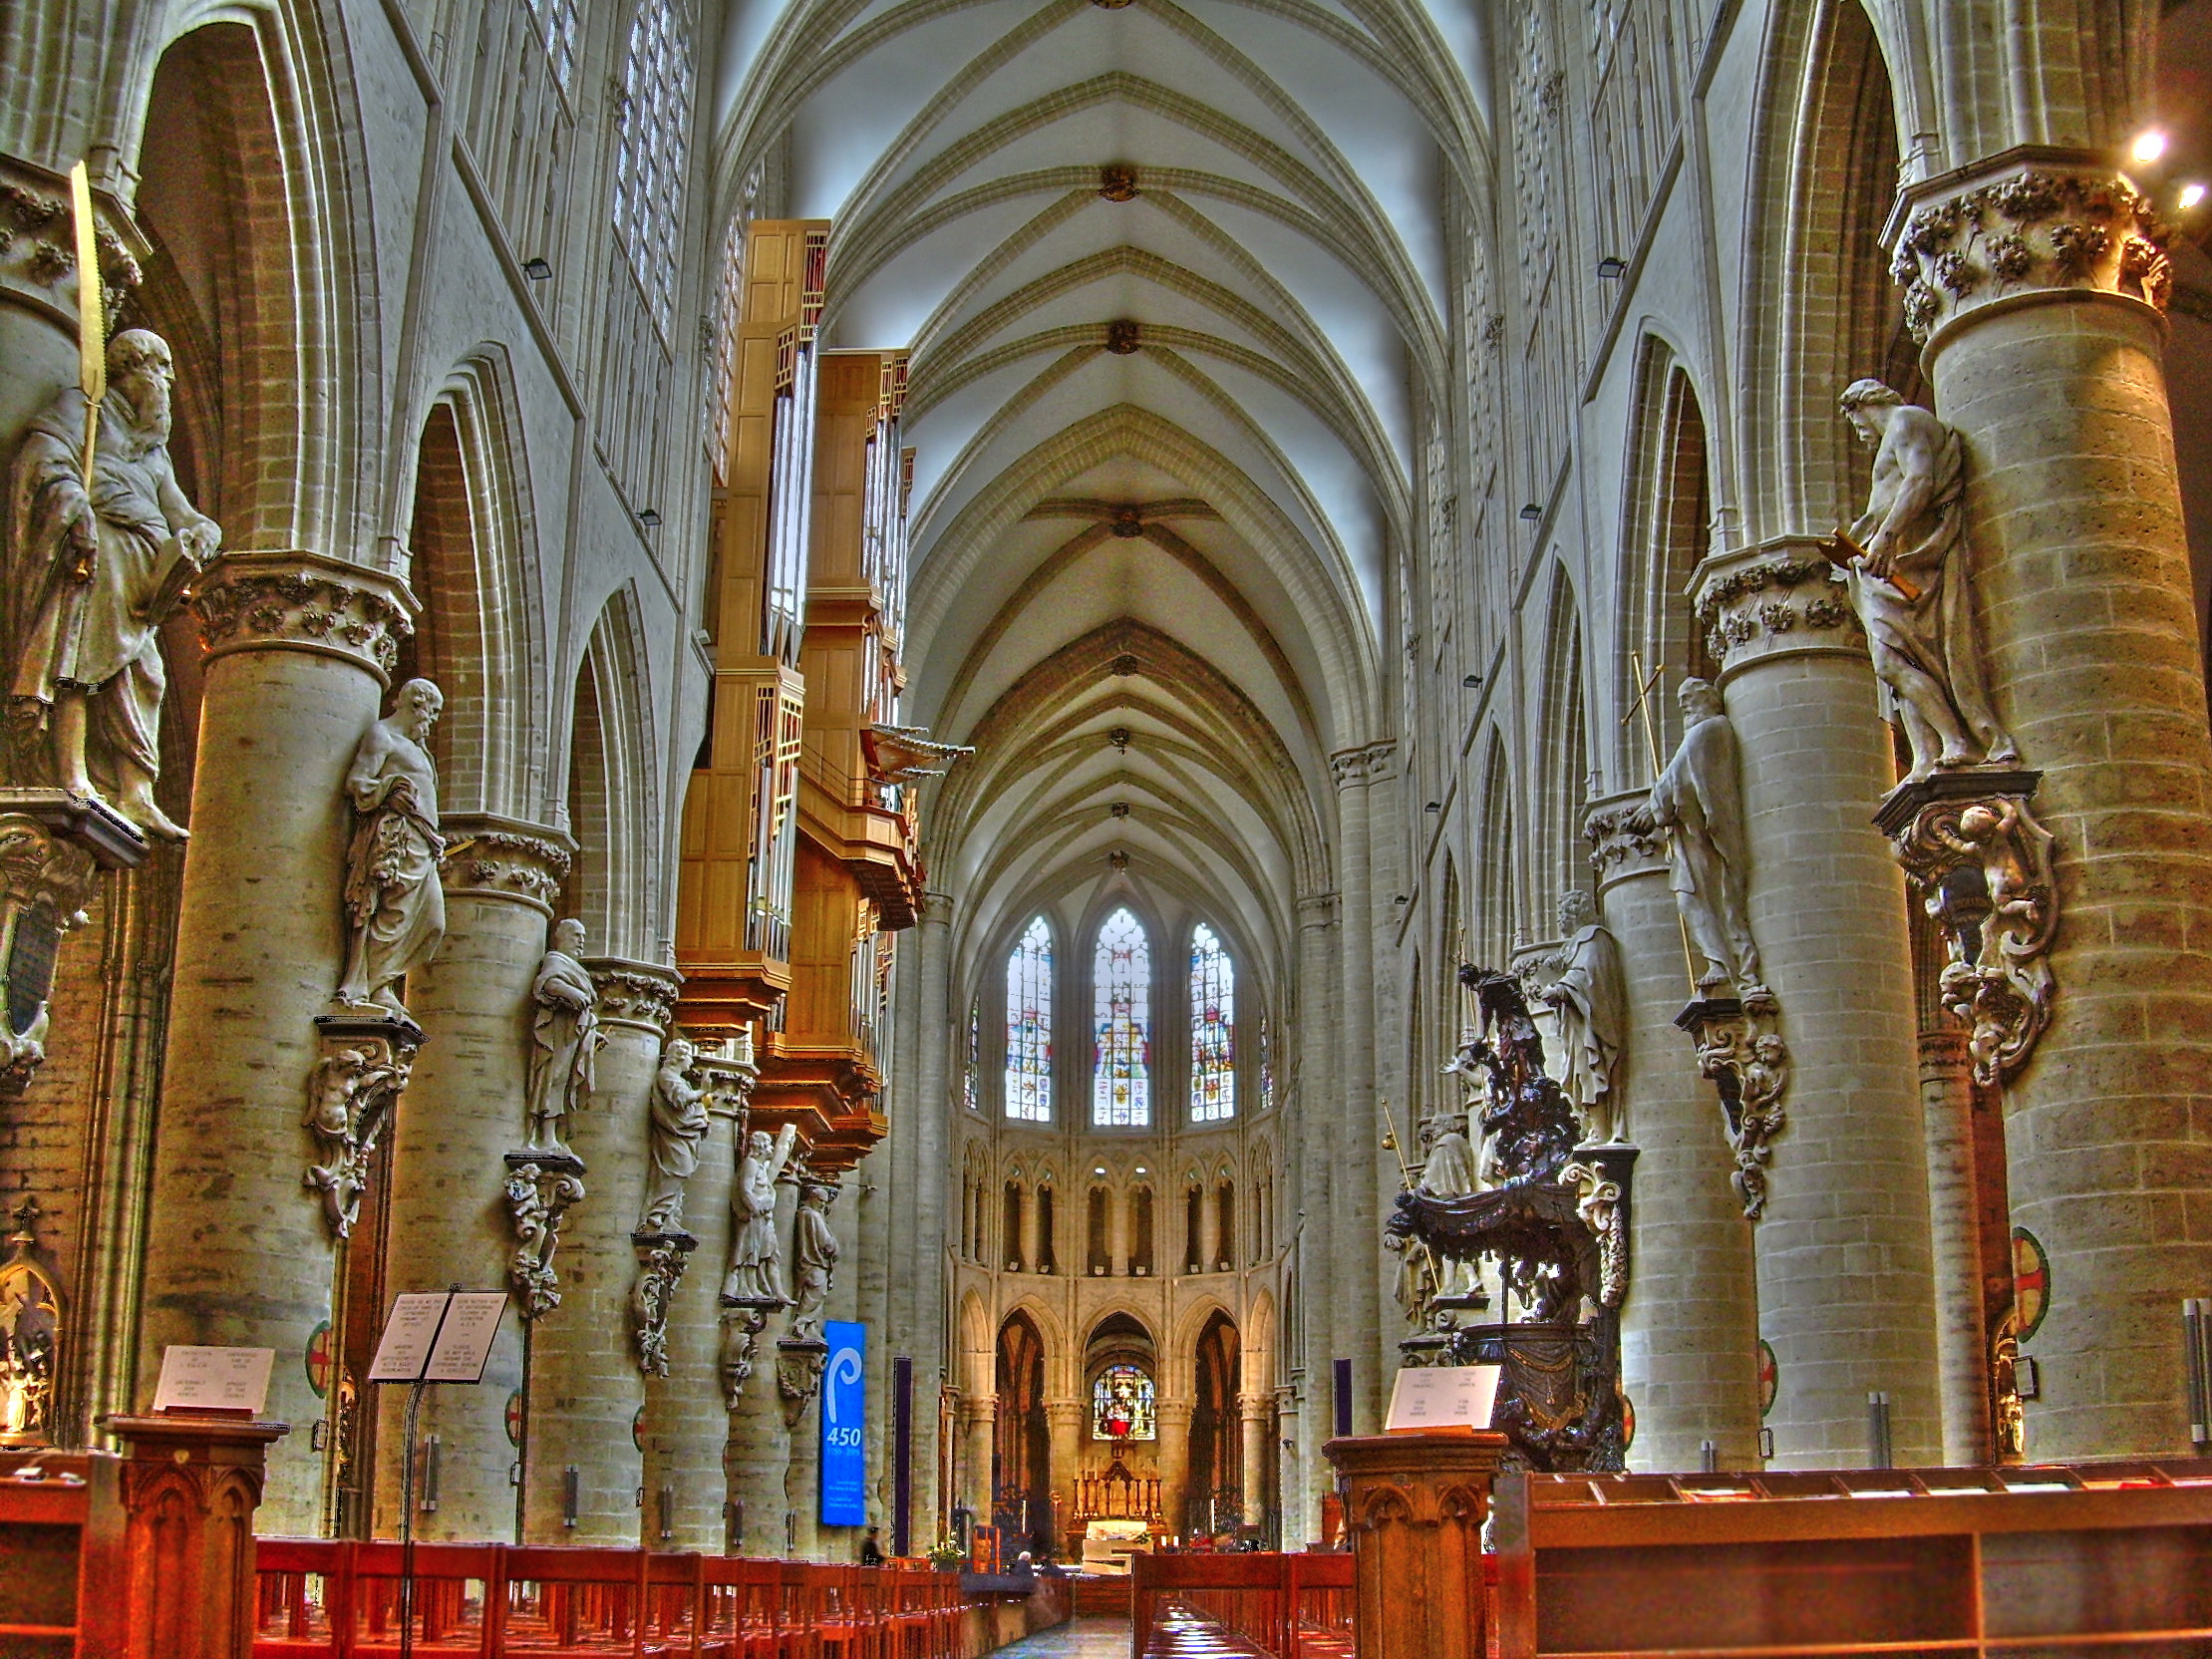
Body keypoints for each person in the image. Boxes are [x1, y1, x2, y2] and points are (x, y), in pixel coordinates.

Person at [6, 328, 218, 840]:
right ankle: (71, 774)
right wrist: (72, 506)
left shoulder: (154, 451)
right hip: (97, 558)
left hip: (142, 581)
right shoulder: (86, 410)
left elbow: (179, 510)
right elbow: (42, 458)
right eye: (161, 368)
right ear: (133, 367)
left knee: (147, 675)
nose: (168, 380)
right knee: (79, 667)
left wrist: (204, 530)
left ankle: (135, 792)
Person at [1834, 379, 2017, 783]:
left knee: (1892, 659)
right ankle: (1927, 754)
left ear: (1864, 404)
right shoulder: (1893, 435)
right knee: (1897, 661)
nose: (1858, 431)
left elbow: (1919, 479)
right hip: (1885, 565)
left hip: (1906, 562)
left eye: (1854, 419)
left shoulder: (1905, 421)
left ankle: (1960, 741)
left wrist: (1886, 536)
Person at [1628, 678, 1767, 1001]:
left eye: (1689, 697)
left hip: (1708, 835)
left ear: (1709, 698)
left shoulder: (1710, 729)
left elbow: (1680, 775)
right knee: (1689, 899)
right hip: (1691, 837)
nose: (1683, 705)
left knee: (1709, 899)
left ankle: (1731, 967)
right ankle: (1722, 964)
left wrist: (1654, 807)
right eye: (1680, 700)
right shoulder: (1698, 734)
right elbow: (1676, 774)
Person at [335, 679, 447, 1015]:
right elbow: (356, 782)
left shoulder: (418, 749)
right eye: (434, 711)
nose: (434, 720)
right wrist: (389, 788)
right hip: (396, 836)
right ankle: (374, 985)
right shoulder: (382, 736)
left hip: (423, 843)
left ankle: (382, 981)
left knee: (432, 921)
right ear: (417, 704)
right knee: (386, 909)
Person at [1543, 890, 1628, 1142]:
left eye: (1562, 913)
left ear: (1573, 913)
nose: (1558, 919)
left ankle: (1602, 1132)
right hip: (1578, 1024)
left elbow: (1590, 974)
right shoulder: (1579, 943)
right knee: (1582, 1075)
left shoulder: (1593, 937)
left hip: (1591, 1026)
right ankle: (1596, 1128)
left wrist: (1560, 988)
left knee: (1590, 1072)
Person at [523, 918, 600, 1157]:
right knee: (552, 1079)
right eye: (577, 935)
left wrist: (592, 1035)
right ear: (562, 936)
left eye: (583, 936)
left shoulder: (577, 969)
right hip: (556, 1033)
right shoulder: (556, 960)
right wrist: (571, 992)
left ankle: (556, 1132)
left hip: (573, 1033)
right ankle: (545, 1134)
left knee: (567, 1084)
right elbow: (548, 983)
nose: (582, 941)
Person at [723, 1122, 799, 1304]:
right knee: (750, 1253)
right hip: (754, 1216)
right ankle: (748, 1287)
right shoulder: (750, 1164)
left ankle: (777, 1291)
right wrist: (755, 1207)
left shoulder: (762, 1167)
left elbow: (772, 1173)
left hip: (765, 1217)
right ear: (762, 1147)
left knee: (772, 1253)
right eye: (769, 1145)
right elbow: (745, 1189)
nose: (772, 1148)